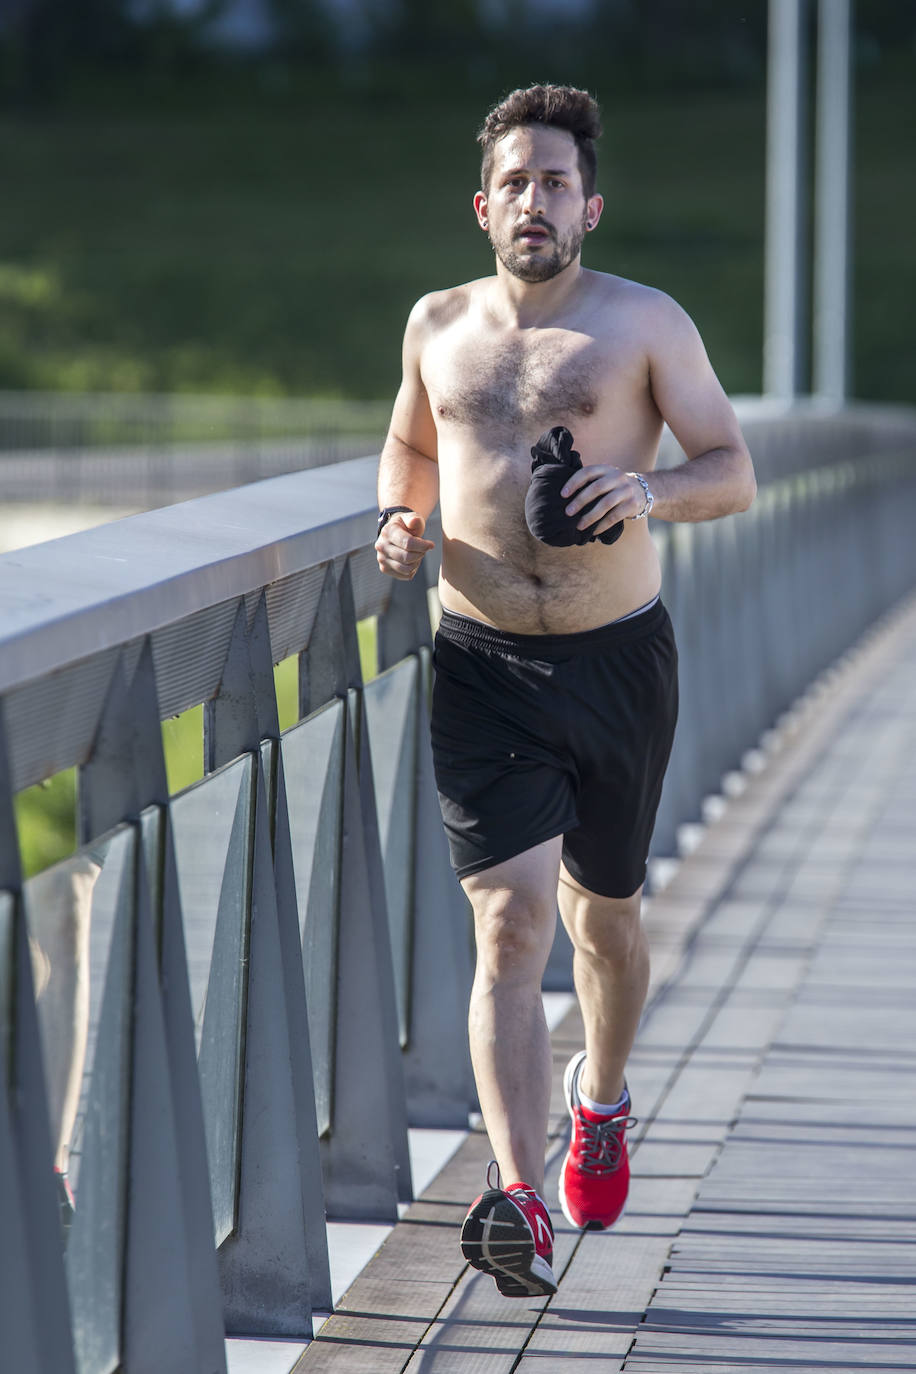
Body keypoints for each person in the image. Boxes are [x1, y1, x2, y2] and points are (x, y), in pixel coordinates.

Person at [375, 83, 755, 1299]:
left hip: (615, 664)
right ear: (481, 205)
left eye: (555, 183)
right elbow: (414, 446)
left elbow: (731, 468)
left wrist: (649, 494)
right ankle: (518, 1195)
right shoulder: (437, 323)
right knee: (509, 925)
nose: (533, 201)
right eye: (514, 183)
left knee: (604, 924)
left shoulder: (644, 325)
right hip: (480, 664)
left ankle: (602, 1096)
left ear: (589, 204)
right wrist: (400, 516)